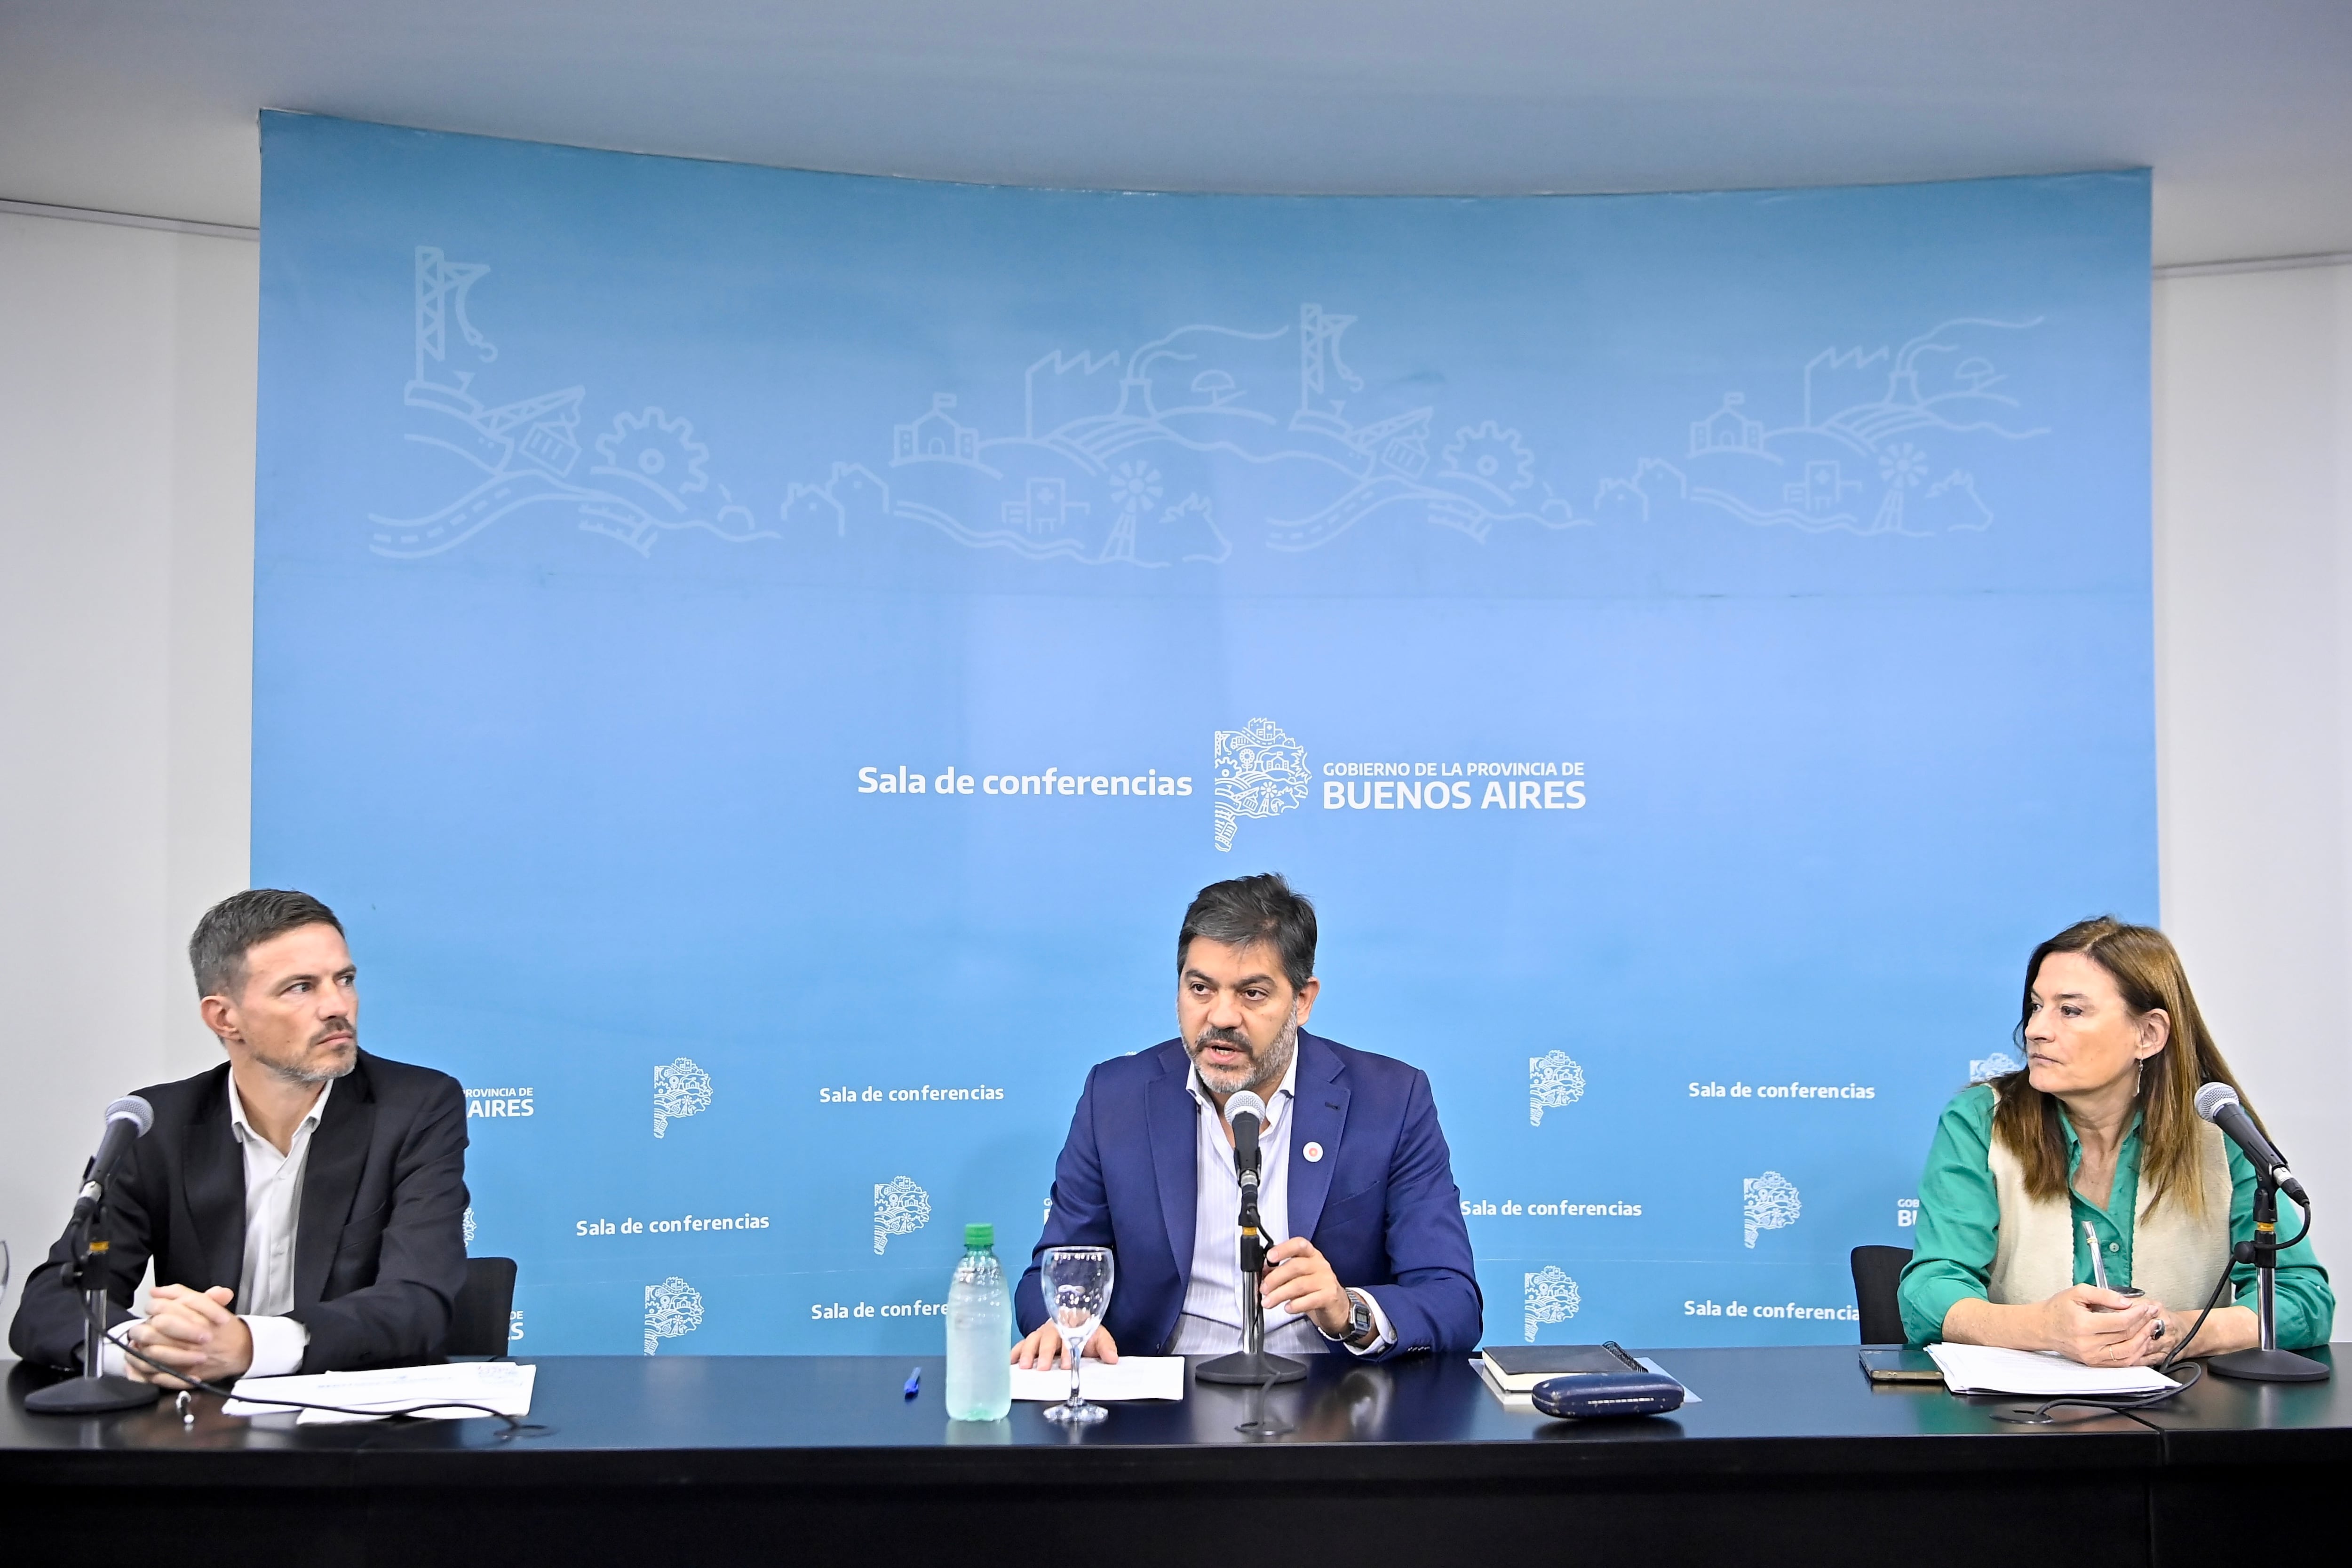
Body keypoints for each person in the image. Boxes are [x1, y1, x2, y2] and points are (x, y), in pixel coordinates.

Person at [1011, 873, 1481, 1367]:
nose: (1222, 1017)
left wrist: (1349, 1312)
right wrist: (1064, 1320)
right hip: (1164, 1397)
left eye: (1252, 993)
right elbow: (1052, 1274)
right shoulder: (1115, 1097)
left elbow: (1452, 1299)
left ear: (1302, 1000)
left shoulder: (1390, 1100)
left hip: (1329, 1397)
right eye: (1200, 988)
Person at [9, 889, 470, 1384]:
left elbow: (418, 1300)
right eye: (300, 987)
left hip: (353, 1416)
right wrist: (142, 1352)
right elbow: (51, 1304)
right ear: (224, 1018)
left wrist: (251, 1345)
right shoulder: (158, 1125)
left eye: (345, 980)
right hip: (200, 1418)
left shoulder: (415, 1107)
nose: (338, 1005)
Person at [1899, 916, 2331, 1362]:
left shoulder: (2219, 1130)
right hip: (2019, 1404)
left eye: (2070, 1011)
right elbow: (1930, 1291)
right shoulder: (1981, 1120)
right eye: (2036, 1006)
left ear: (2148, 1035)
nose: (2035, 1029)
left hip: (2182, 1400)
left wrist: (2183, 1332)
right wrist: (2044, 1329)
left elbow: (2302, 1298)